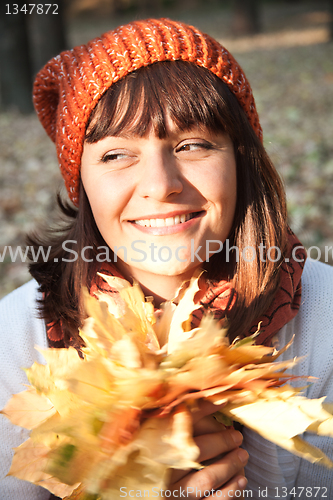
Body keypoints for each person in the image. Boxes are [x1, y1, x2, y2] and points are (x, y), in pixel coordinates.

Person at [0, 18, 332, 500]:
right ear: (81, 182)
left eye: (192, 145)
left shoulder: (324, 316)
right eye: (116, 155)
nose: (161, 184)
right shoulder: (14, 341)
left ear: (241, 160)